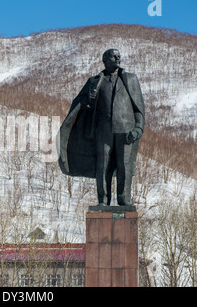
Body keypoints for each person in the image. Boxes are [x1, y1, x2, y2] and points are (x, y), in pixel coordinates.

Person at [58, 49, 145, 206]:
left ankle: (124, 199)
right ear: (105, 60)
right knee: (102, 165)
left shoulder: (130, 79)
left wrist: (139, 127)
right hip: (102, 130)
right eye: (114, 56)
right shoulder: (95, 81)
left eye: (119, 56)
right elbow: (80, 104)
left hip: (126, 130)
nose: (118, 58)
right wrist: (87, 101)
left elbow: (138, 107)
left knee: (124, 166)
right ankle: (103, 200)